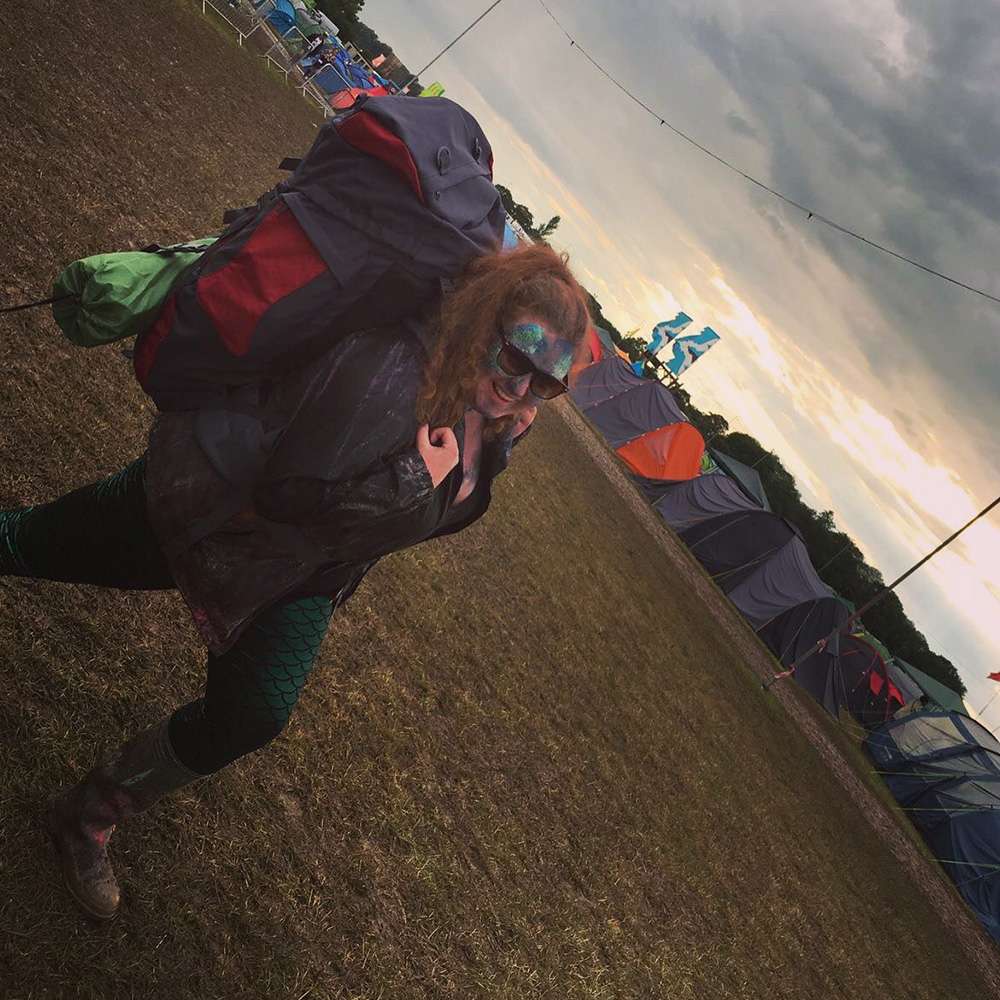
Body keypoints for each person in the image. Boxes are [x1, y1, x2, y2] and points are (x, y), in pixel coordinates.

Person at [0, 242, 590, 920]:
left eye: (546, 383)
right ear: (485, 320)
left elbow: (415, 514)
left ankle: (89, 814)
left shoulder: (504, 421)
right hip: (205, 512)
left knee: (254, 712)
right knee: (31, 543)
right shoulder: (396, 366)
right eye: (515, 359)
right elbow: (285, 495)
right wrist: (410, 481)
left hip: (294, 579)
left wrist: (495, 437)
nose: (520, 390)